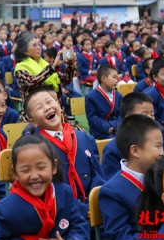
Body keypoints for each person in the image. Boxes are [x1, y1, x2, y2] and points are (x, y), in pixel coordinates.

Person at [0, 132, 91, 240]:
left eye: (41, 168)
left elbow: (79, 225)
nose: (34, 176)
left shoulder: (63, 193)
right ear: (15, 173)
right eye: (26, 170)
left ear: (54, 167)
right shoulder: (6, 209)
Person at [24, 87, 106, 217]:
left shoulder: (83, 137)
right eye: (39, 108)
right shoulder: (36, 148)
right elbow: (49, 188)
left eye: (49, 102)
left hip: (94, 208)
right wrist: (82, 209)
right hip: (61, 212)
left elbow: (97, 174)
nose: (46, 108)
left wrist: (95, 202)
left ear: (59, 104)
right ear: (32, 121)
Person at [99, 114, 164, 240]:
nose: (162, 152)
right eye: (157, 146)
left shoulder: (163, 175)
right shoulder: (112, 192)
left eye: (162, 146)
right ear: (135, 151)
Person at [14, 33, 75, 120]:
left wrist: (70, 65)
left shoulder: (44, 64)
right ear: (24, 51)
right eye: (34, 45)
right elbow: (32, 81)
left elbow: (65, 80)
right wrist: (52, 67)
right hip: (34, 113)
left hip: (53, 110)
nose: (39, 47)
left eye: (39, 44)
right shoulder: (21, 67)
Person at [102, 92, 155, 179]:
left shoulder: (154, 142)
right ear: (128, 118)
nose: (150, 118)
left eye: (152, 114)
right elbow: (112, 182)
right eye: (144, 115)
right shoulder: (113, 149)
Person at [85, 65, 123, 139]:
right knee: (115, 142)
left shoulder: (118, 95)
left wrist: (112, 125)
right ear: (103, 78)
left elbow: (122, 114)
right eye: (114, 77)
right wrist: (106, 127)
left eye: (117, 78)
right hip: (99, 131)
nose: (116, 80)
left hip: (116, 128)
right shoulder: (91, 96)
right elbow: (92, 117)